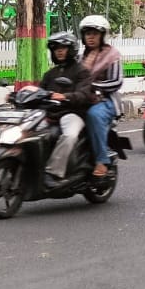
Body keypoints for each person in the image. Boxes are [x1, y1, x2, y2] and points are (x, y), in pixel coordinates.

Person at [38, 30, 94, 187]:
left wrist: (65, 97)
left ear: (71, 49)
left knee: (69, 136)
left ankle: (53, 173)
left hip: (72, 113)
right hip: (51, 114)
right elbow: (40, 91)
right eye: (56, 48)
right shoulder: (50, 74)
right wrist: (19, 96)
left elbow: (84, 94)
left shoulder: (81, 71)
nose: (59, 51)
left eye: (63, 48)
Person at [77, 15, 124, 178]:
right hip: (82, 99)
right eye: (87, 33)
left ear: (103, 35)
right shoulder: (80, 56)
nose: (90, 37)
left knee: (93, 115)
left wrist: (94, 86)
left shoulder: (112, 55)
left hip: (106, 101)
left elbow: (116, 82)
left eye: (95, 33)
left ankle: (102, 161)